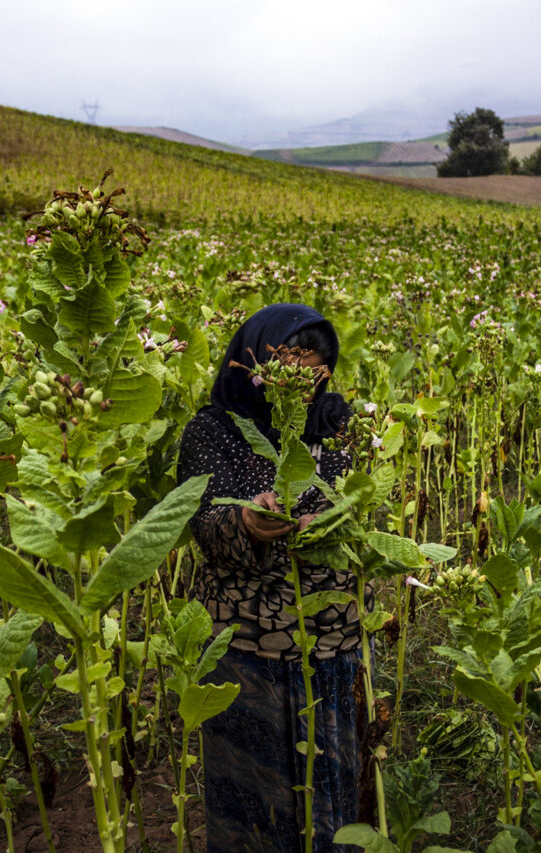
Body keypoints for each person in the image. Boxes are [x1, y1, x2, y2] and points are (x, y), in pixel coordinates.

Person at [178, 303, 364, 853]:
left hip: (327, 633)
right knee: (253, 790)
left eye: (319, 361)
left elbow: (359, 500)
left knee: (327, 777)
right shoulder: (215, 429)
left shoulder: (337, 423)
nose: (308, 373)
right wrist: (247, 522)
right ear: (257, 357)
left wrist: (329, 520)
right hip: (246, 639)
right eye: (294, 357)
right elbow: (201, 516)